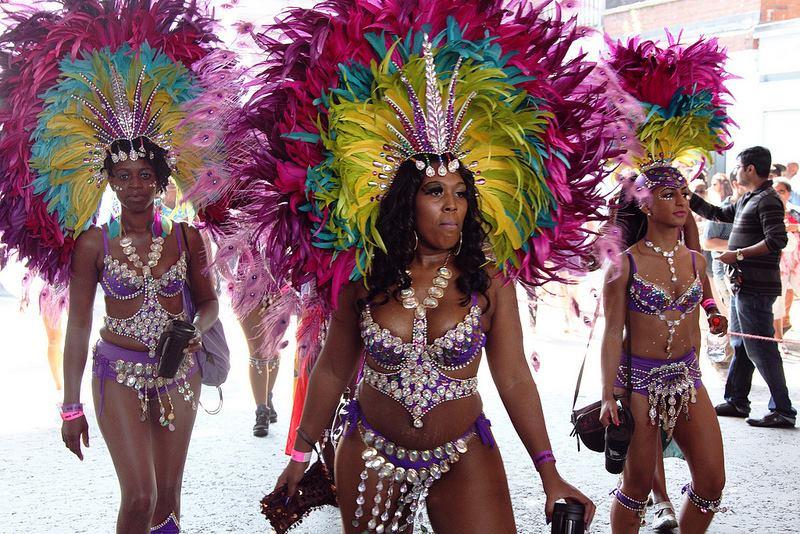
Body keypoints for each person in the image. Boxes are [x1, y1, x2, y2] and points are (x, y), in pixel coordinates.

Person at [239, 3, 624, 531]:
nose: (452, 205)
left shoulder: (489, 281)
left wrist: (549, 473)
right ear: (405, 201)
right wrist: (300, 456)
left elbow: (512, 377)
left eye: (461, 193)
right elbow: (331, 368)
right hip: (370, 450)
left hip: (463, 449)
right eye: (435, 191)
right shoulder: (365, 276)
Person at [0, 3, 239, 531]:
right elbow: (79, 324)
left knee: (169, 497)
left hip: (179, 374)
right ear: (109, 181)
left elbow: (208, 302)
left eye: (145, 174)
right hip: (118, 374)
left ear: (160, 179)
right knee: (138, 496)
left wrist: (193, 332)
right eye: (124, 175)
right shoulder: (93, 245)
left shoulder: (186, 237)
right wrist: (68, 405)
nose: (135, 185)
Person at [600, 33, 734, 533]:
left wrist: (715, 315)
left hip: (689, 379)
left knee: (712, 481)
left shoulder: (696, 261)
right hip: (639, 384)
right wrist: (610, 392)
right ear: (645, 203)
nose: (682, 201)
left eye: (684, 193)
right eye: (669, 193)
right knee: (635, 489)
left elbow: (706, 303)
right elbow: (613, 331)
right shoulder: (626, 264)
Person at [690, 146, 797, 428]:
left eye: (738, 166)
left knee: (759, 347)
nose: (736, 171)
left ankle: (783, 409)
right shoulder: (749, 198)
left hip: (756, 287)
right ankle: (737, 400)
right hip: (743, 285)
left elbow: (777, 240)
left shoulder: (768, 200)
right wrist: (686, 195)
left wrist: (737, 254)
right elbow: (717, 213)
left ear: (750, 168)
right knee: (741, 343)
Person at [771, 179, 800, 340]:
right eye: (775, 191)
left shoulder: (795, 212)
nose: (778, 195)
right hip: (777, 263)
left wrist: (796, 227)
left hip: (796, 262)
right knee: (778, 302)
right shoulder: (767, 211)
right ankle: (778, 340)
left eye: (781, 191)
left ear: (788, 193)